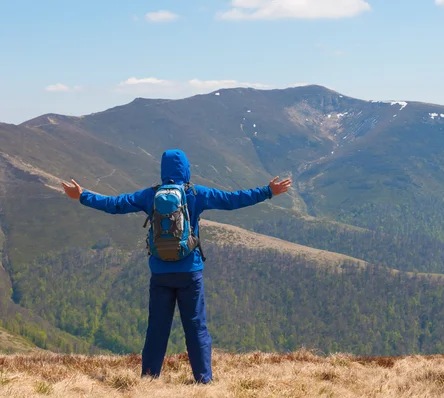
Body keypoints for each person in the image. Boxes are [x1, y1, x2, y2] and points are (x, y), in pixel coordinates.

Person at [61, 149, 292, 384]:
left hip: (160, 274)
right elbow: (232, 200)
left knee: (157, 330)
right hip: (190, 273)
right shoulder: (196, 193)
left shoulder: (149, 196)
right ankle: (203, 381)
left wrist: (82, 195)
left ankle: (149, 380)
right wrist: (267, 192)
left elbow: (115, 204)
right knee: (196, 328)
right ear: (186, 169)